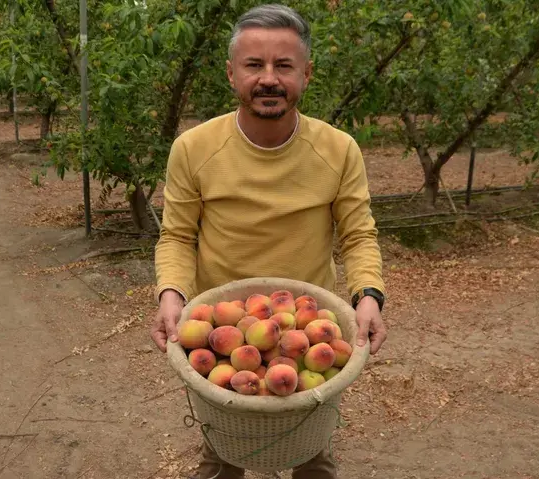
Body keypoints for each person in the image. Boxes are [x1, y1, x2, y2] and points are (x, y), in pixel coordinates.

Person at [150, 4, 387, 478]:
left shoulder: (338, 149)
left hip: (306, 328)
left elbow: (359, 234)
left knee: (310, 453)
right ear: (231, 73)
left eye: (284, 65)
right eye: (254, 65)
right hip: (221, 330)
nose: (269, 79)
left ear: (307, 73)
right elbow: (176, 234)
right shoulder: (194, 148)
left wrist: (369, 296)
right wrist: (171, 293)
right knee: (223, 452)